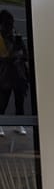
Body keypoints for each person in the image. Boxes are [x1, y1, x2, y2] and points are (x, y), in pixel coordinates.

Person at [0, 9, 29, 137]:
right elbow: (5, 56)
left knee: (19, 101)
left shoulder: (16, 36)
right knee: (3, 101)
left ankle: (20, 124)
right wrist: (17, 53)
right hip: (6, 74)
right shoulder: (1, 38)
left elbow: (25, 54)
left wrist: (19, 51)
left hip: (18, 74)